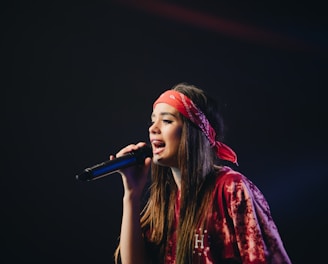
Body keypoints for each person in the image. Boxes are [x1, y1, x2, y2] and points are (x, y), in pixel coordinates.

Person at [113, 83, 291, 264]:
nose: (153, 129)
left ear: (194, 131)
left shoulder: (231, 188)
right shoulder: (165, 199)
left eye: (166, 121)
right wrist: (131, 194)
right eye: (153, 120)